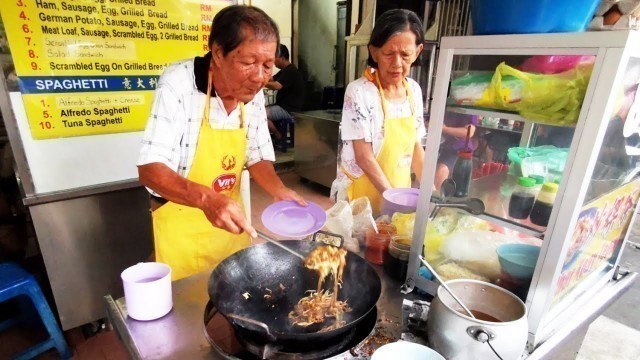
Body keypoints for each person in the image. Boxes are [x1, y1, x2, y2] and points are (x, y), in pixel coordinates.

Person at [137, 5, 306, 281]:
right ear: (217, 53)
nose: (259, 77)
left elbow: (257, 154)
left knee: (236, 298)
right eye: (249, 63)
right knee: (189, 313)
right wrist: (207, 199)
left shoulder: (253, 94)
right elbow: (150, 170)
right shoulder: (179, 83)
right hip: (182, 228)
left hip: (230, 228)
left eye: (267, 66)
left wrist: (278, 189)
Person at [331, 9, 426, 214]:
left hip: (399, 190)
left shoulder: (414, 91)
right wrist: (394, 200)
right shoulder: (360, 92)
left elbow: (416, 147)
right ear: (375, 52)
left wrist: (431, 193)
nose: (397, 64)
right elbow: (364, 156)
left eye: (405, 54)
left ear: (417, 52)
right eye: (389, 53)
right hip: (362, 193)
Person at [265, 44, 305, 140]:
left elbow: (276, 86)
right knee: (260, 110)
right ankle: (277, 134)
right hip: (283, 106)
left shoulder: (291, 71)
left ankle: (278, 135)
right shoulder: (284, 71)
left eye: (275, 58)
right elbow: (271, 79)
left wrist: (262, 82)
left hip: (289, 109)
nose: (274, 62)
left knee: (260, 113)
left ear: (282, 58)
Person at [434, 112, 478, 190]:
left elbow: (469, 132)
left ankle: (435, 198)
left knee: (442, 170)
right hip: (439, 144)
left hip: (458, 148)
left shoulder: (469, 108)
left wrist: (445, 129)